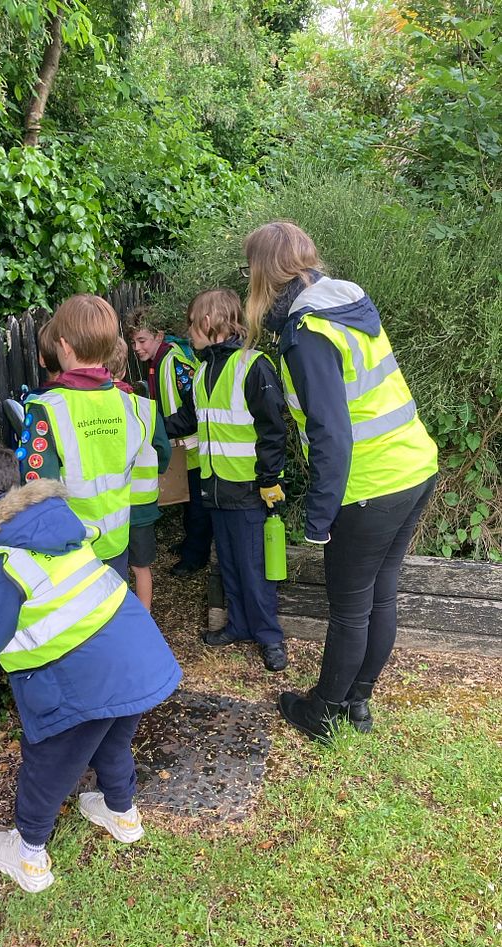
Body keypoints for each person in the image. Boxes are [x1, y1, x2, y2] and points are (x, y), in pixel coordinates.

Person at [0, 440, 182, 893]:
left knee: (49, 763)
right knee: (112, 738)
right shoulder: (48, 521)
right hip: (133, 649)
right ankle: (122, 813)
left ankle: (30, 855)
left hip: (81, 675)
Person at [242, 220, 438, 739]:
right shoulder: (348, 303)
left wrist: (319, 514)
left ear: (263, 273)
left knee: (351, 610)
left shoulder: (307, 333)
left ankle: (324, 709)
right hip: (414, 466)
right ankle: (358, 701)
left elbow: (332, 433)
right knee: (381, 596)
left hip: (369, 485)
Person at [164, 288, 289, 673]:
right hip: (214, 487)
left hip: (250, 489)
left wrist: (270, 481)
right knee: (230, 564)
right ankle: (237, 625)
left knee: (255, 568)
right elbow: (186, 420)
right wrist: (140, 422)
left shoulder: (254, 366)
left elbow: (273, 430)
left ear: (207, 321)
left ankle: (270, 637)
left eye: (191, 324)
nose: (188, 333)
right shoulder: (202, 372)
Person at [17, 295, 145, 581]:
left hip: (71, 551)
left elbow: (37, 492)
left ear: (63, 345)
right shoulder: (128, 403)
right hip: (117, 540)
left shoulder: (47, 407)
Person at [129, 313, 213, 576]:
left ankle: (195, 558)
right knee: (189, 504)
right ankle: (190, 544)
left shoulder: (175, 363)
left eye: (142, 340)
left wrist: (160, 428)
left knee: (198, 507)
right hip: (183, 450)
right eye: (133, 343)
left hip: (195, 450)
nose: (137, 348)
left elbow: (195, 409)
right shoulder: (160, 361)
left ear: (159, 337)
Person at [105, 336, 171, 610]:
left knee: (109, 567)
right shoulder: (144, 406)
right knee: (141, 567)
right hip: (142, 504)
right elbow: (163, 450)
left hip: (108, 505)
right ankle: (144, 618)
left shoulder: (96, 410)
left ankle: (112, 617)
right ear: (123, 368)